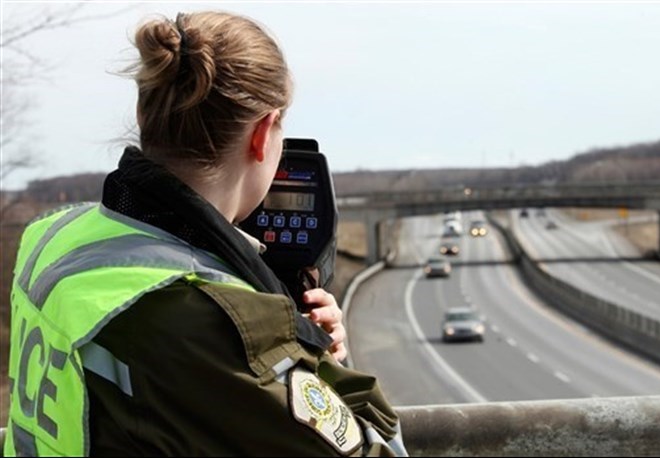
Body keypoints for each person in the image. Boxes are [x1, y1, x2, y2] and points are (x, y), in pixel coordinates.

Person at [4, 11, 407, 457]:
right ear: (261, 134)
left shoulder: (55, 235)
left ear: (142, 112)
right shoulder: (212, 324)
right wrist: (321, 362)